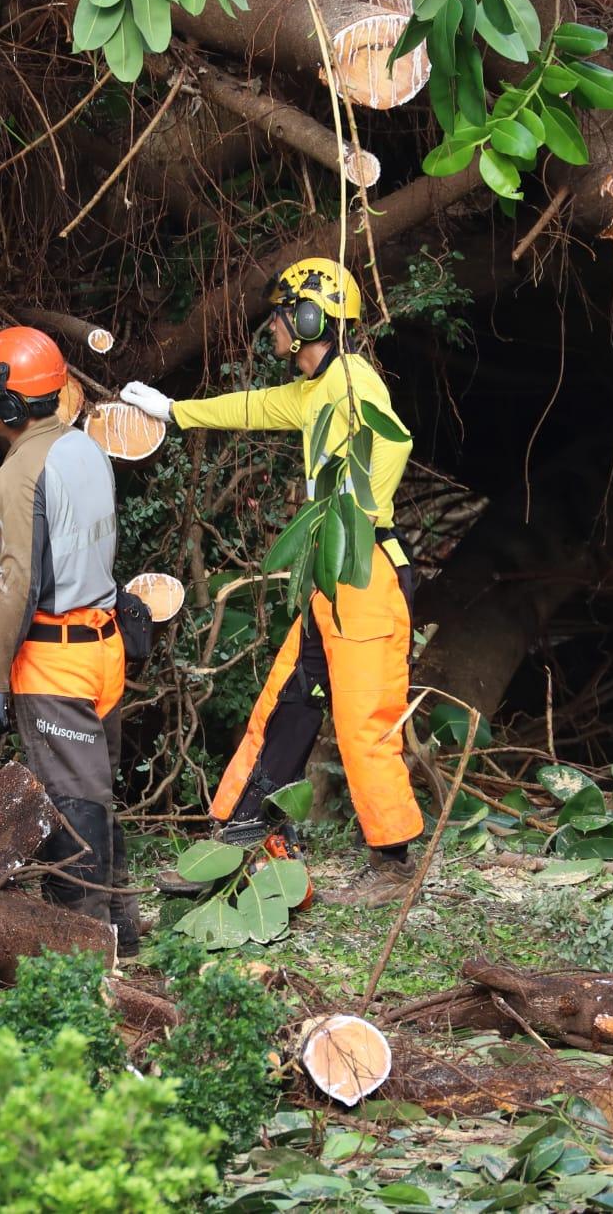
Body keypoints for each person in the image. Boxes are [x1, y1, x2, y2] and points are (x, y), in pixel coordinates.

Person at [120, 257, 422, 908]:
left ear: (310, 317)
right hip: (331, 575)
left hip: (363, 570)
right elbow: (252, 406)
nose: (274, 330)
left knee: (363, 717)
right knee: (287, 700)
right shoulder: (315, 388)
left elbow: (393, 443)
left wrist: (354, 508)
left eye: (283, 317)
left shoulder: (353, 383)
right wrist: (175, 412)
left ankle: (394, 863)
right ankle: (241, 832)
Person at [0, 327, 138, 953]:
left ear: (9, 404)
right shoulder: (85, 448)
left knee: (70, 804)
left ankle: (82, 947)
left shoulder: (19, 474)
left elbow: (17, 584)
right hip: (104, 647)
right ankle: (122, 932)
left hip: (56, 659)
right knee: (95, 796)